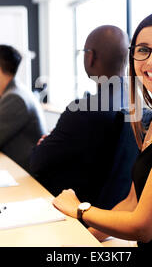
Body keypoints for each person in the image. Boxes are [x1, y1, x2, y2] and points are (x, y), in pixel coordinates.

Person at [53, 11, 152, 247]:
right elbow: (132, 203)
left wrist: (79, 209)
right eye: (142, 50)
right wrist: (85, 236)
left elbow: (144, 227)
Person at [29, 25, 139, 210]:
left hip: (74, 212)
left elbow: (36, 163)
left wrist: (44, 144)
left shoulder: (83, 111)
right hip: (115, 214)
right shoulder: (136, 103)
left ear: (91, 57)